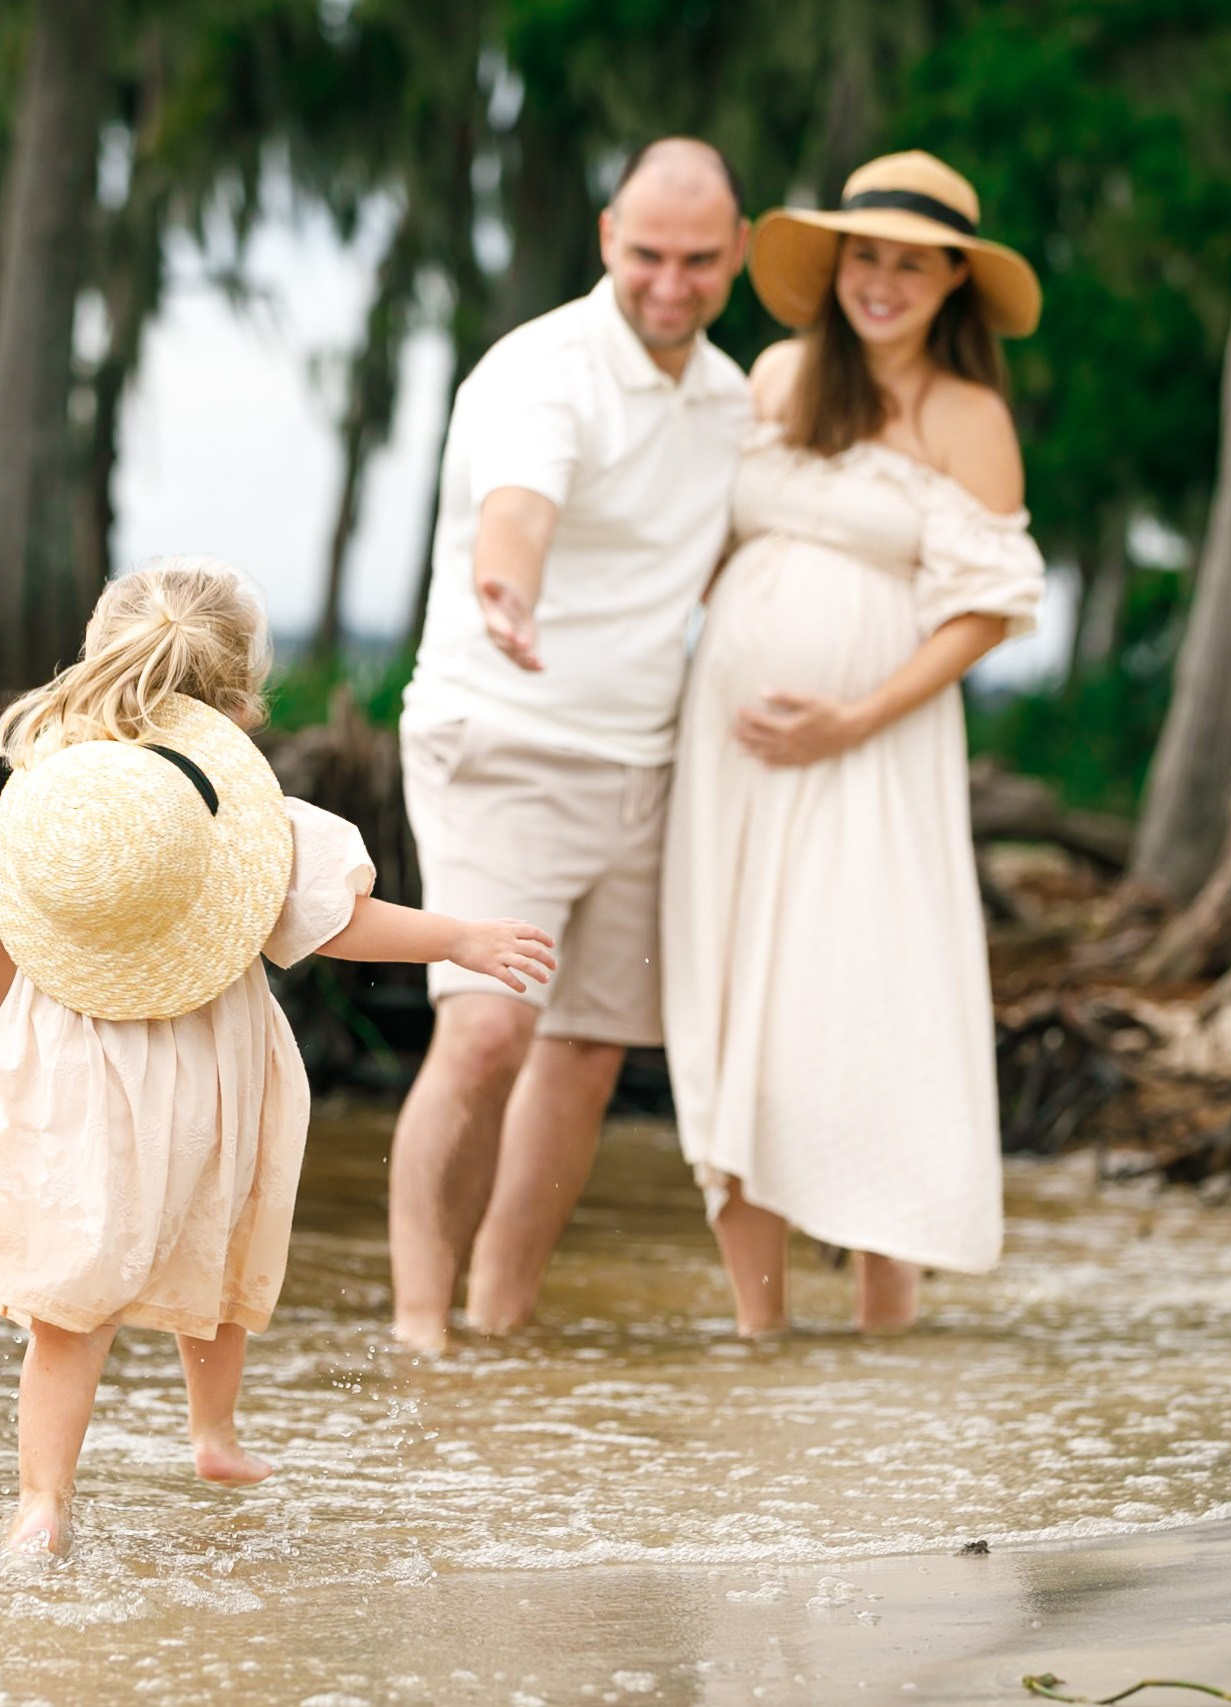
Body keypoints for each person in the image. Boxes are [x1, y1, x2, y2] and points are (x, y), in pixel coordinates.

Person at [0, 558, 555, 1552]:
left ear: (98, 650)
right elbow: (341, 919)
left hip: (78, 1064)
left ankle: (41, 1504)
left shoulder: (50, 799)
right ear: (232, 690)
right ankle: (212, 1433)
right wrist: (460, 939)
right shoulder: (246, 809)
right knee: (214, 1245)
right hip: (215, 1071)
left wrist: (42, 1013)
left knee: (68, 1305)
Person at [661, 150, 1048, 1337]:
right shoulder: (775, 379)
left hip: (873, 760)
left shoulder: (966, 415)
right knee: (735, 1010)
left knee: (863, 1006)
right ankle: (759, 1335)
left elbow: (986, 607)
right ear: (834, 268)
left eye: (910, 265)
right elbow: (705, 547)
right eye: (864, 256)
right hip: (733, 766)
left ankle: (889, 1334)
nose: (881, 282)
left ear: (950, 286)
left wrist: (851, 716)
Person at [388, 138, 752, 1350]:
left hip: (646, 763)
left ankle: (504, 1321)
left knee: (589, 1053)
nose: (670, 282)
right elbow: (518, 511)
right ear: (606, 239)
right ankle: (418, 1333)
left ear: (738, 254)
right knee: (489, 1029)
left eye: (699, 260)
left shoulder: (732, 399)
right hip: (503, 738)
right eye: (647, 253)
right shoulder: (540, 370)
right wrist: (507, 591)